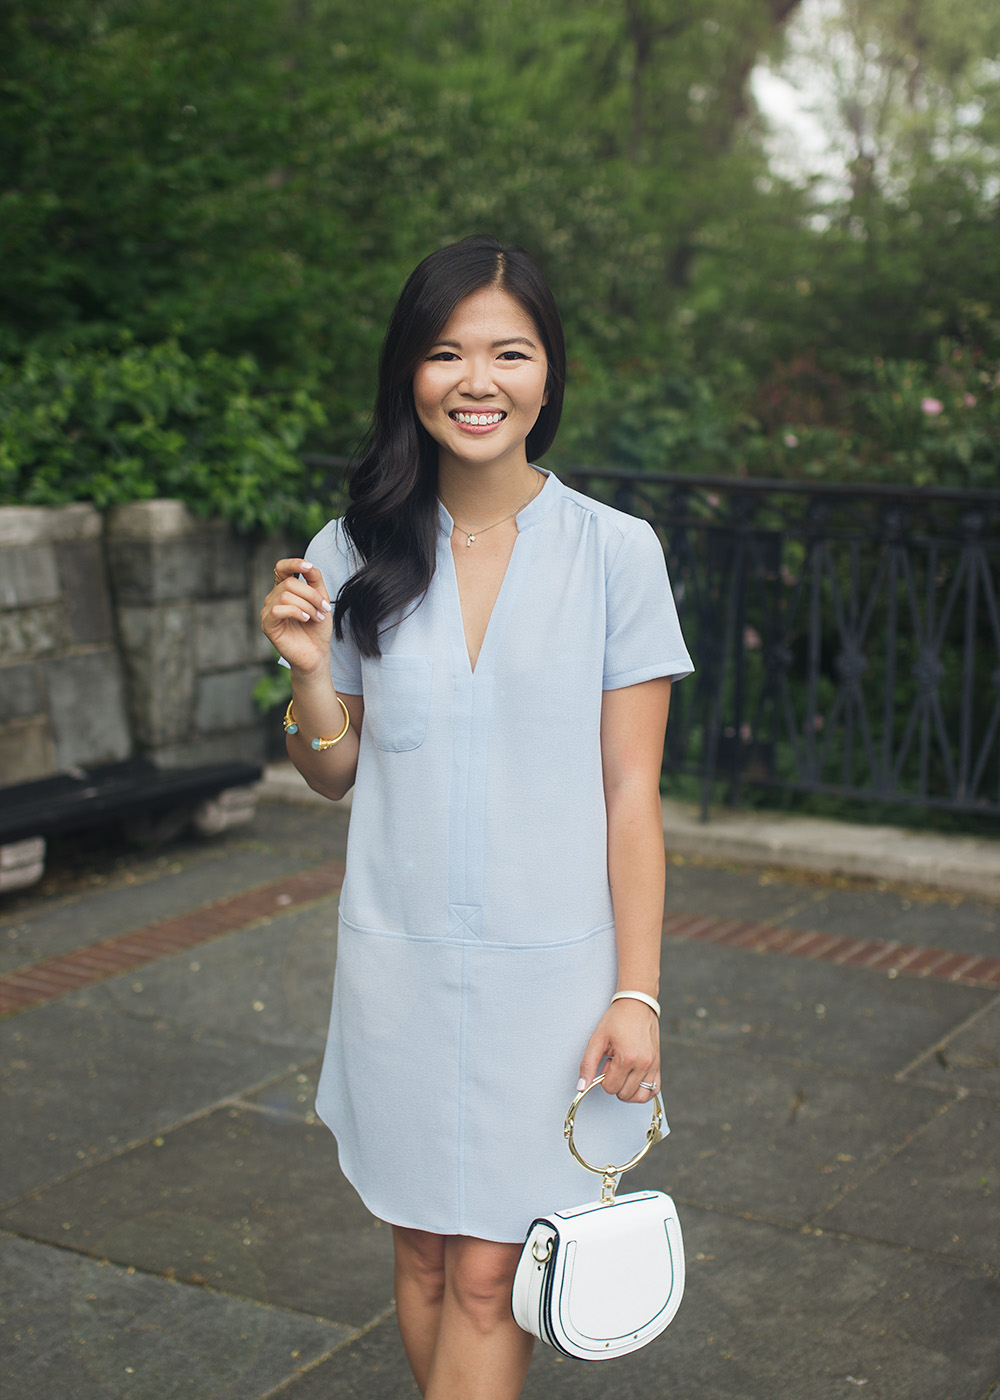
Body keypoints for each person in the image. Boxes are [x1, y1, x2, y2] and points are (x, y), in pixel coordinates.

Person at [260, 235, 693, 1399]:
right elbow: (333, 771)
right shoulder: (353, 547)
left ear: (549, 374)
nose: (476, 380)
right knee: (419, 1249)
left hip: (553, 984)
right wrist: (308, 670)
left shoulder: (616, 552)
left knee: (495, 1272)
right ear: (409, 369)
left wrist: (638, 993)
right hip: (398, 966)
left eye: (510, 351)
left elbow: (631, 791)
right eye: (446, 352)